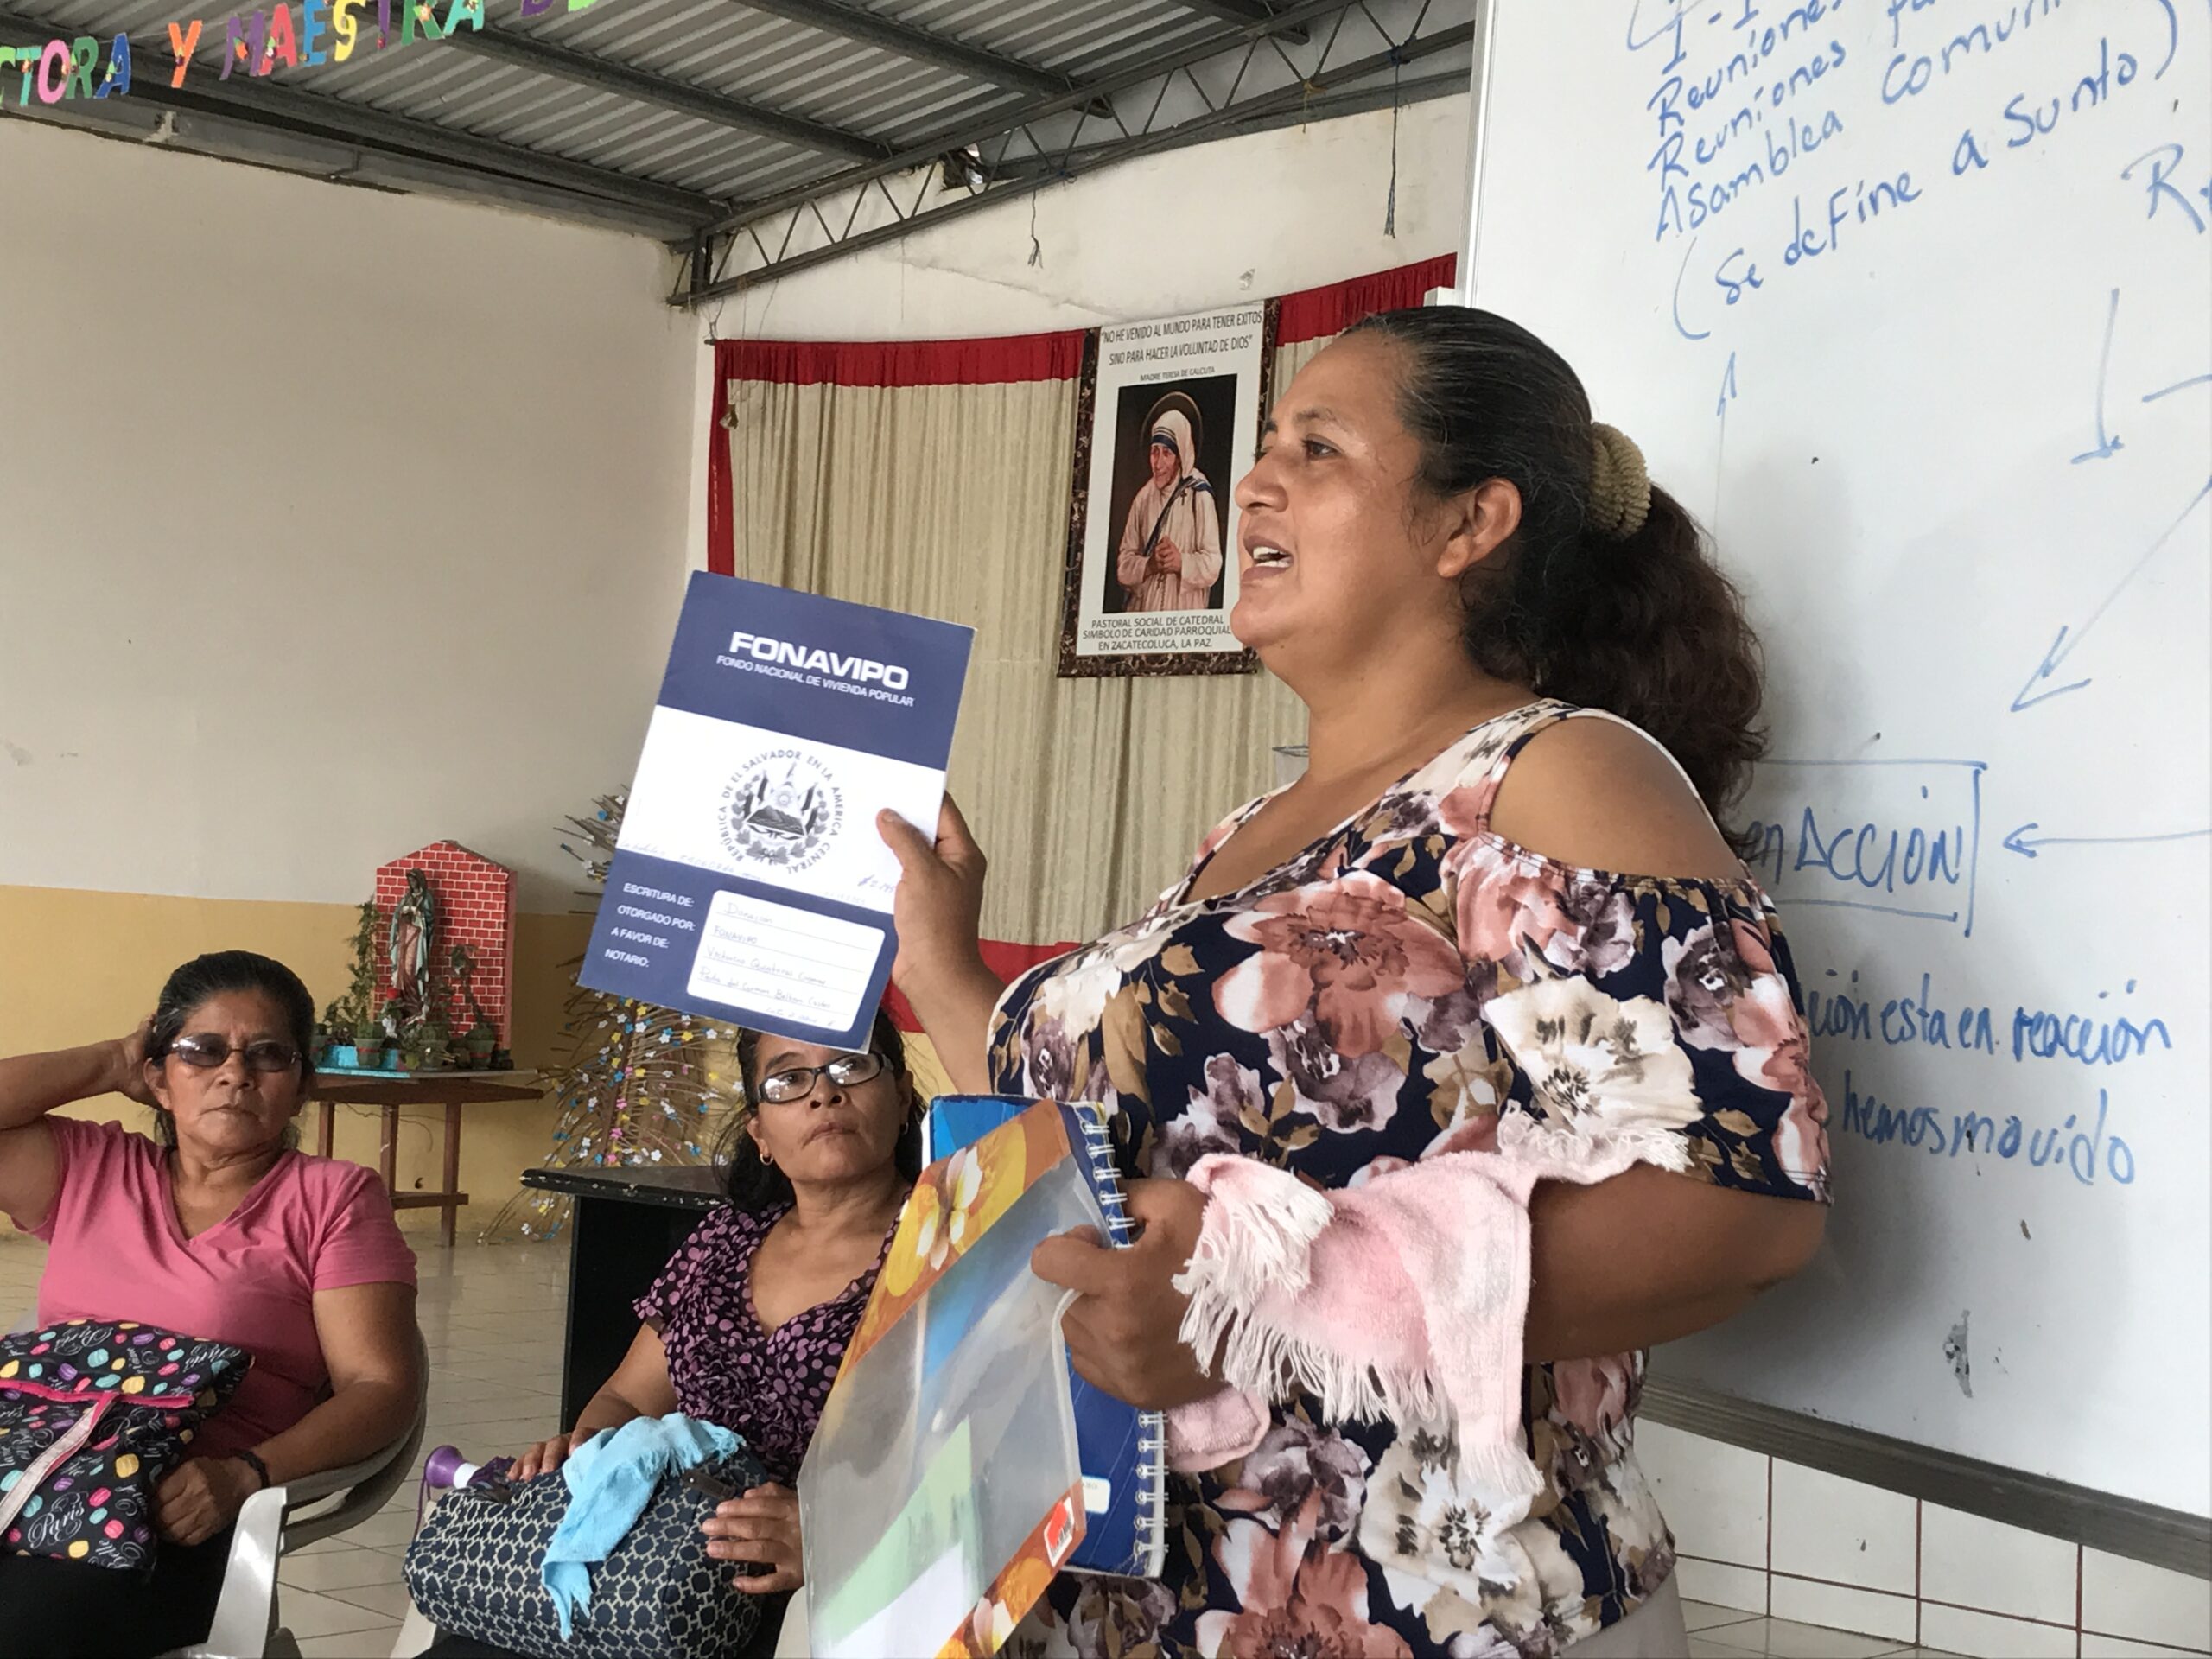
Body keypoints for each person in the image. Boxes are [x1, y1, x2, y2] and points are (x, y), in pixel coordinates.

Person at [882, 306, 1831, 1656]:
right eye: (1264, 443)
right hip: (1161, 1607)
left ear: (1468, 525)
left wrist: (1257, 1300)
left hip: (1448, 1614)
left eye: (1316, 448)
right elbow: (1085, 1151)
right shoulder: (1248, 837)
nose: (1254, 478)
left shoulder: (1552, 778)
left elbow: (1746, 1209)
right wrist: (936, 957)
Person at [420, 1010, 923, 1657]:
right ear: (759, 1131)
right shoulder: (723, 1241)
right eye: (787, 1080)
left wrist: (834, 1535)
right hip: (658, 1559)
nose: (823, 1092)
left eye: (851, 1066)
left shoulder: (942, 1250)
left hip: (814, 1590)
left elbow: (974, 1457)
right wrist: (587, 1454)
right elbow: (626, 1400)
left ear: (903, 1095)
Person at [0, 950, 422, 1659]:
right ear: (157, 1077)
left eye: (268, 1054)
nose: (235, 1073)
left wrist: (243, 1476)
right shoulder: (90, 1169)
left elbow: (381, 1388)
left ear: (300, 1086)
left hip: (172, 1519)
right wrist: (108, 1060)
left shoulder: (333, 1200)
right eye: (202, 1051)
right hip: (32, 1472)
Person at [1116, 402, 1225, 613]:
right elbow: (1124, 566)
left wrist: (1181, 562)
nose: (1157, 464)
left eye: (1167, 453)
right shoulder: (1143, 498)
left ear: (1180, 457)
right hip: (1145, 614)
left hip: (1183, 616)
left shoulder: (1199, 494)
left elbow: (1213, 564)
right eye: (1154, 452)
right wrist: (1149, 566)